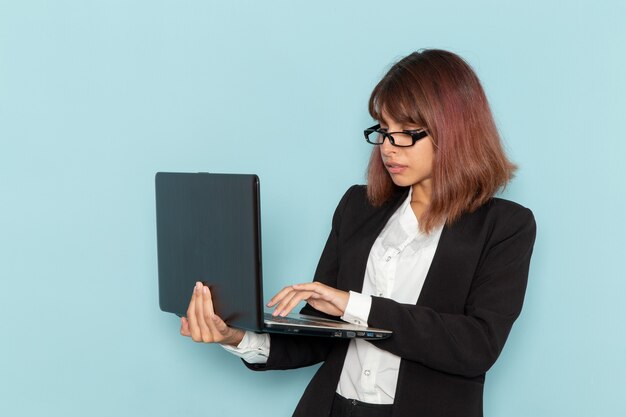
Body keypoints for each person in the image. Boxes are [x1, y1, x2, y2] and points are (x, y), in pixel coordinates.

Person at [180, 49, 536, 417]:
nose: (387, 148)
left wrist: (354, 305)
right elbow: (321, 340)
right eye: (383, 131)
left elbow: (475, 347)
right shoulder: (357, 207)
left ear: (456, 132)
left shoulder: (506, 227)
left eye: (406, 134)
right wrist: (236, 337)